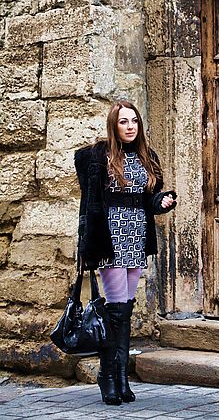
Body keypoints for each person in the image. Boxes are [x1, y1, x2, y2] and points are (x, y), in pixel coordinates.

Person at [74, 100, 177, 406]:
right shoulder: (99, 156)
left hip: (137, 235)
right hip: (110, 237)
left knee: (125, 309)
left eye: (134, 121)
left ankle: (119, 377)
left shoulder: (148, 157)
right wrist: (87, 242)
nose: (130, 126)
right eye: (123, 122)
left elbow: (149, 200)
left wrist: (162, 202)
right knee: (116, 309)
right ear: (113, 126)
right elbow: (85, 181)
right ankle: (108, 376)